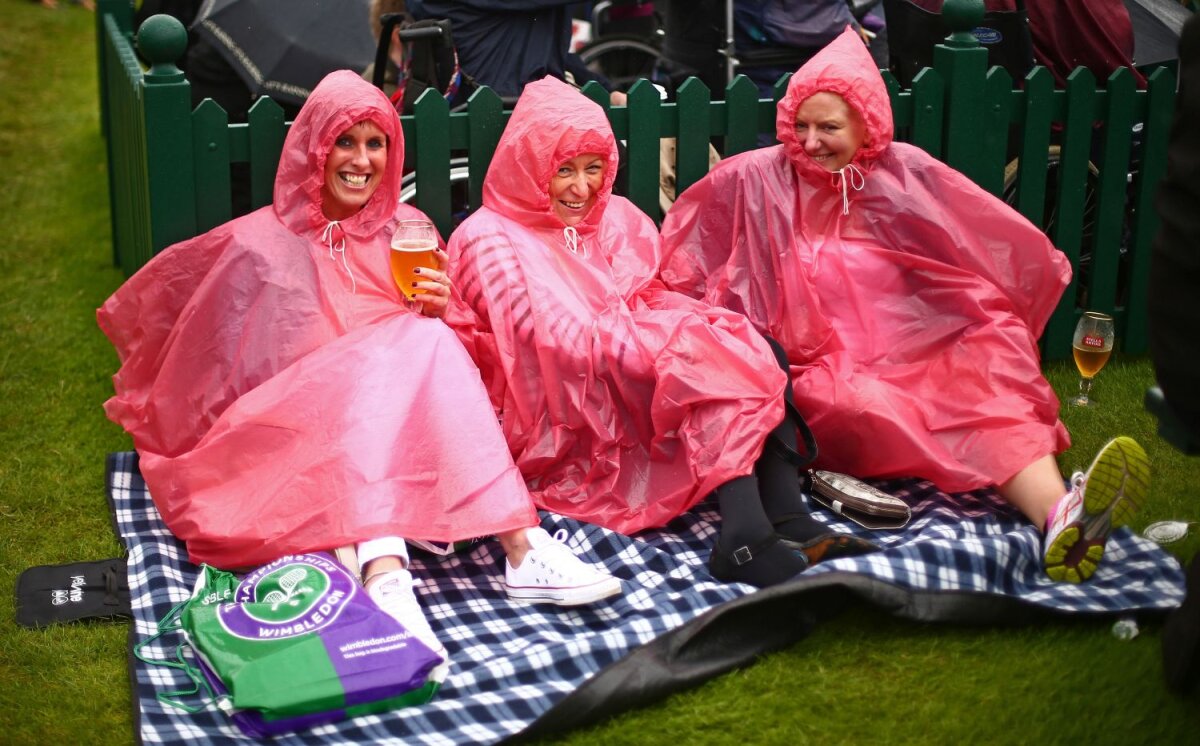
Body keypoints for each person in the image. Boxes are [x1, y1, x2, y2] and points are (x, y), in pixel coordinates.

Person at [97, 71, 621, 663]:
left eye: (377, 144)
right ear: (315, 149)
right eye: (346, 141)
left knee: (426, 337)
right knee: (407, 342)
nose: (362, 160)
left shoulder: (407, 230)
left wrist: (447, 311)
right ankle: (451, 559)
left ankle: (453, 560)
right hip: (296, 435)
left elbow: (465, 370)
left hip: (396, 438)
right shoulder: (258, 245)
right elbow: (221, 363)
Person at [659, 27, 1151, 584]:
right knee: (873, 399)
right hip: (814, 369)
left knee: (991, 372)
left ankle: (1058, 512)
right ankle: (1059, 507)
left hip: (913, 345)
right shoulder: (754, 176)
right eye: (801, 125)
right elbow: (687, 253)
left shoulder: (903, 171)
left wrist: (973, 317)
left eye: (829, 127)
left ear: (865, 124)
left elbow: (976, 240)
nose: (811, 141)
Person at [444, 76, 877, 588]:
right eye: (564, 171)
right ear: (531, 169)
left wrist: (695, 327)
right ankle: (744, 538)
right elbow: (536, 338)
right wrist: (666, 346)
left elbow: (646, 291)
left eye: (594, 169)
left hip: (618, 367)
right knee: (710, 363)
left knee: (758, 349)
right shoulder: (488, 237)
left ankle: (785, 516)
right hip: (555, 406)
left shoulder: (609, 217)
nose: (582, 188)